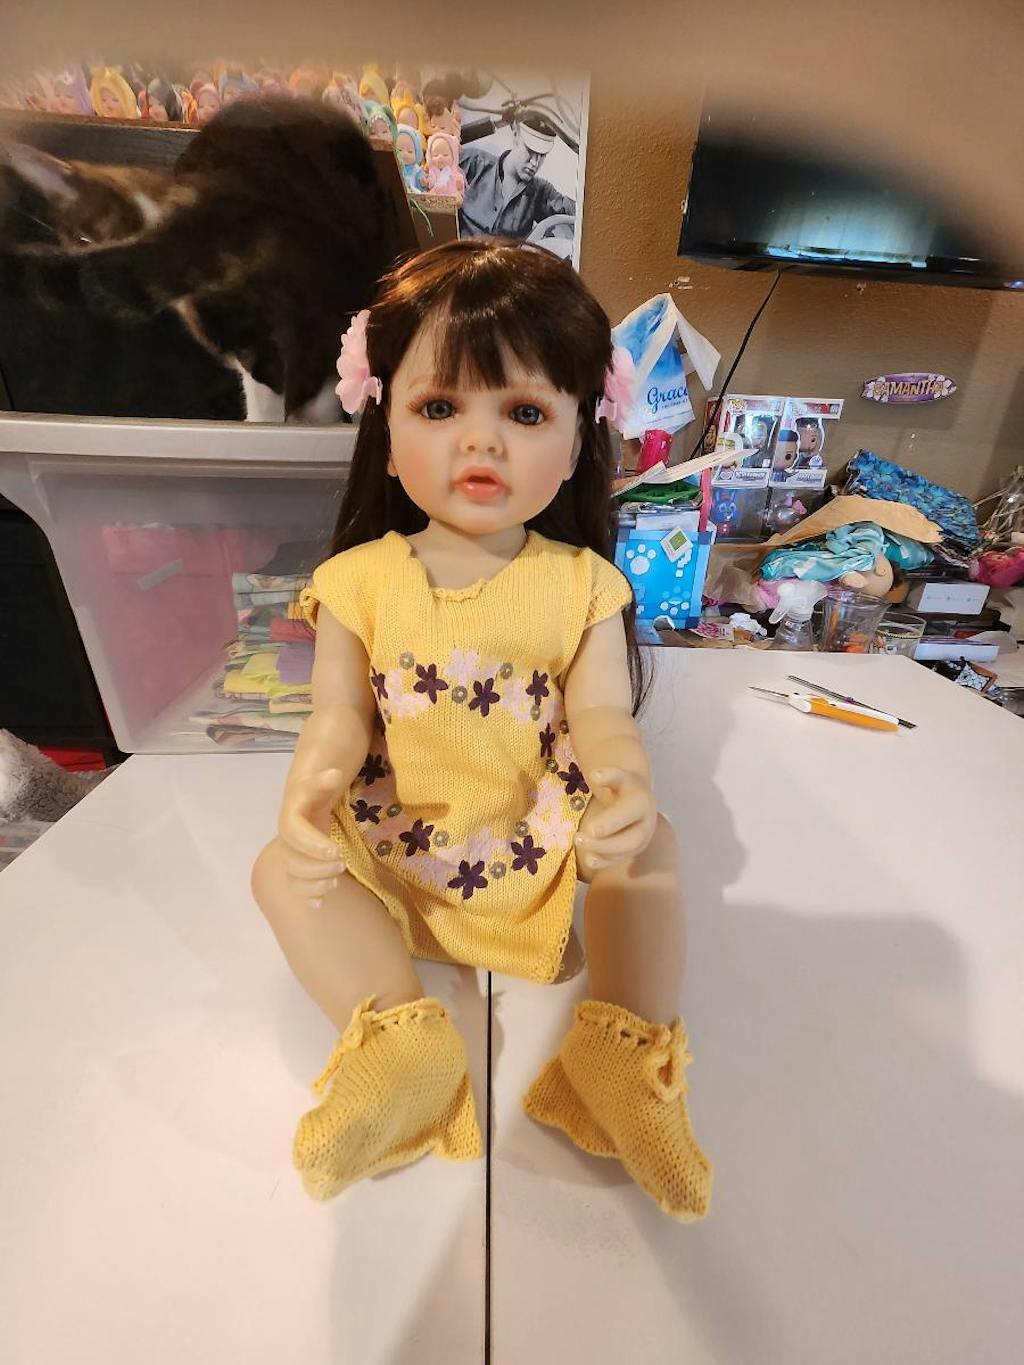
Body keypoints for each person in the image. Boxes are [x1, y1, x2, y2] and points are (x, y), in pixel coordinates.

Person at [250, 237, 712, 1222]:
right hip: (399, 839)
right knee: (279, 873)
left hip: (533, 834)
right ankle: (403, 1046)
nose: (481, 443)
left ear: (579, 437)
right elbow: (337, 713)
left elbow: (600, 713)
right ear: (385, 426)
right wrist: (311, 791)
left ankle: (618, 1057)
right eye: (439, 408)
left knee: (654, 854)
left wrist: (625, 786)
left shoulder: (582, 584)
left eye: (525, 413)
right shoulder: (356, 582)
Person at [458, 111, 577, 240]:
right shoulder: (472, 163)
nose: (534, 163)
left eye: (542, 155)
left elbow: (580, 213)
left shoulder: (540, 191)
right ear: (515, 136)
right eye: (530, 151)